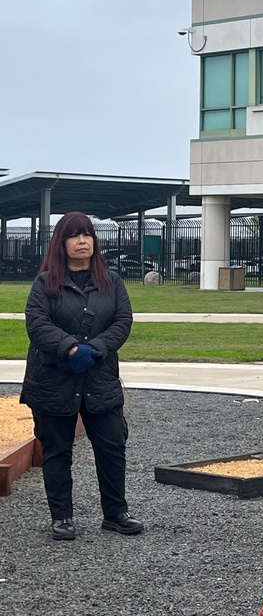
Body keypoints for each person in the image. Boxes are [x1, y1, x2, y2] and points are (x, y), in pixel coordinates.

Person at [21, 211, 144, 540]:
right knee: (57, 450)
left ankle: (116, 513)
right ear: (62, 243)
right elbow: (37, 324)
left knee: (112, 446)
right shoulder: (45, 282)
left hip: (99, 377)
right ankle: (62, 517)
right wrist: (70, 348)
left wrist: (97, 348)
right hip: (54, 379)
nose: (82, 241)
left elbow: (122, 321)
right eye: (75, 235)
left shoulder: (111, 282)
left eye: (87, 234)